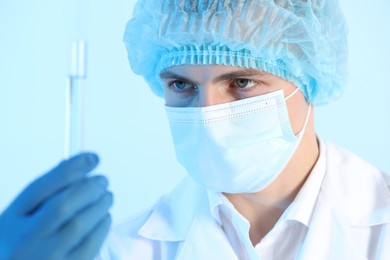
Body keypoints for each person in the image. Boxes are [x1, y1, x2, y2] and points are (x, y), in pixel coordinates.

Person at [98, 0, 390, 259]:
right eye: (182, 85)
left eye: (241, 82)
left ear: (308, 78)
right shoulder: (120, 249)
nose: (208, 113)